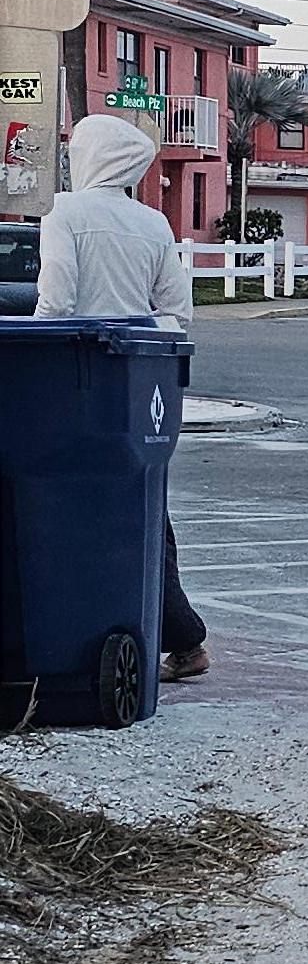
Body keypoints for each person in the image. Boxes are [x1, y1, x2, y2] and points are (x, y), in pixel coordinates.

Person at [33, 113, 209, 680]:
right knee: (143, 505)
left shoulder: (63, 213)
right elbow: (176, 314)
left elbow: (55, 301)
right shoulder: (154, 223)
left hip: (71, 376)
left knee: (56, 502)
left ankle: (66, 635)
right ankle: (183, 639)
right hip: (136, 384)